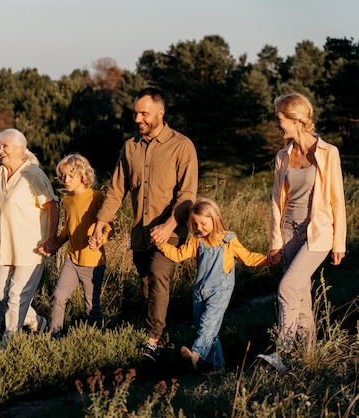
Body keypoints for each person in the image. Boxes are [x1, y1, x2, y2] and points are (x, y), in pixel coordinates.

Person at [89, 86, 198, 361]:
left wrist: (170, 225)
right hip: (141, 232)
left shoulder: (181, 146)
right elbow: (116, 189)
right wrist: (101, 222)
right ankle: (159, 334)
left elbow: (187, 195)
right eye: (135, 113)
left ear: (161, 113)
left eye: (144, 113)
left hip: (171, 230)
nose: (138, 119)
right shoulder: (130, 147)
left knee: (159, 274)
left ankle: (152, 339)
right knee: (147, 281)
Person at [257, 93, 346, 372]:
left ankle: (281, 353)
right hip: (288, 231)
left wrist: (339, 242)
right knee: (301, 296)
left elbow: (337, 200)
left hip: (318, 234)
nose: (277, 124)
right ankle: (306, 360)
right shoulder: (282, 156)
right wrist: (275, 241)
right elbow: (275, 200)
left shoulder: (328, 152)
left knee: (287, 287)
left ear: (296, 120)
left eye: (279, 118)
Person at [153, 198, 271, 373]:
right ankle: (218, 366)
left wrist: (269, 260)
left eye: (203, 223)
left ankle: (195, 356)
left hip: (220, 292)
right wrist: (161, 244)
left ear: (214, 219)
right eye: (195, 224)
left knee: (207, 326)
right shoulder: (197, 241)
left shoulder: (228, 240)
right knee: (208, 329)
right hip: (199, 292)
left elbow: (248, 258)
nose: (199, 227)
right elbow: (178, 255)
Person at [0, 128, 59, 348]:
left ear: (20, 149)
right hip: (5, 247)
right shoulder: (0, 173)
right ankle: (38, 322)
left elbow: (52, 205)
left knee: (16, 296)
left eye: (4, 146)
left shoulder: (33, 174)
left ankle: (8, 345)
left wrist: (52, 238)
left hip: (31, 248)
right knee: (0, 293)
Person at [48, 154, 113, 338]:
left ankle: (95, 339)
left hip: (93, 263)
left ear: (83, 176)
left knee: (91, 305)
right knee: (58, 297)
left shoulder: (96, 197)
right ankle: (54, 337)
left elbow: (109, 226)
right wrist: (54, 244)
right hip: (72, 260)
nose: (66, 180)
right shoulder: (67, 201)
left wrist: (101, 238)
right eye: (63, 176)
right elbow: (68, 231)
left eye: (71, 175)